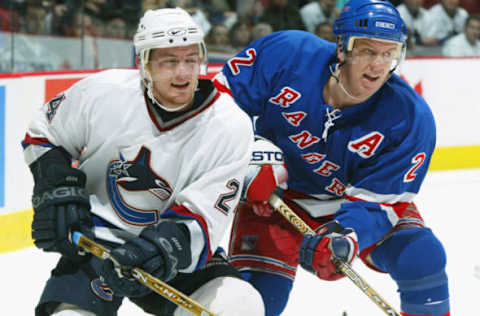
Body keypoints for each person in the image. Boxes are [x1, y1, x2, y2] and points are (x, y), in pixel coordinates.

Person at [22, 7, 264, 316]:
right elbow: (43, 132)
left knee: (240, 305)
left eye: (191, 59)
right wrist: (54, 186)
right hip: (98, 242)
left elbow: (202, 218)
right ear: (144, 64)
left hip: (172, 254)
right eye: (169, 61)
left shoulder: (229, 124)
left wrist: (159, 250)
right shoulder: (103, 92)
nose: (183, 73)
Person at [213, 0, 450, 315]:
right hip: (274, 195)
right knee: (254, 301)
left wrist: (349, 236)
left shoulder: (409, 117)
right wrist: (246, 156)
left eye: (388, 53)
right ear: (342, 48)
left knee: (421, 256)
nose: (378, 65)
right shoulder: (288, 53)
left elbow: (382, 203)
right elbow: (217, 103)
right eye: (367, 50)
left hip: (352, 203)